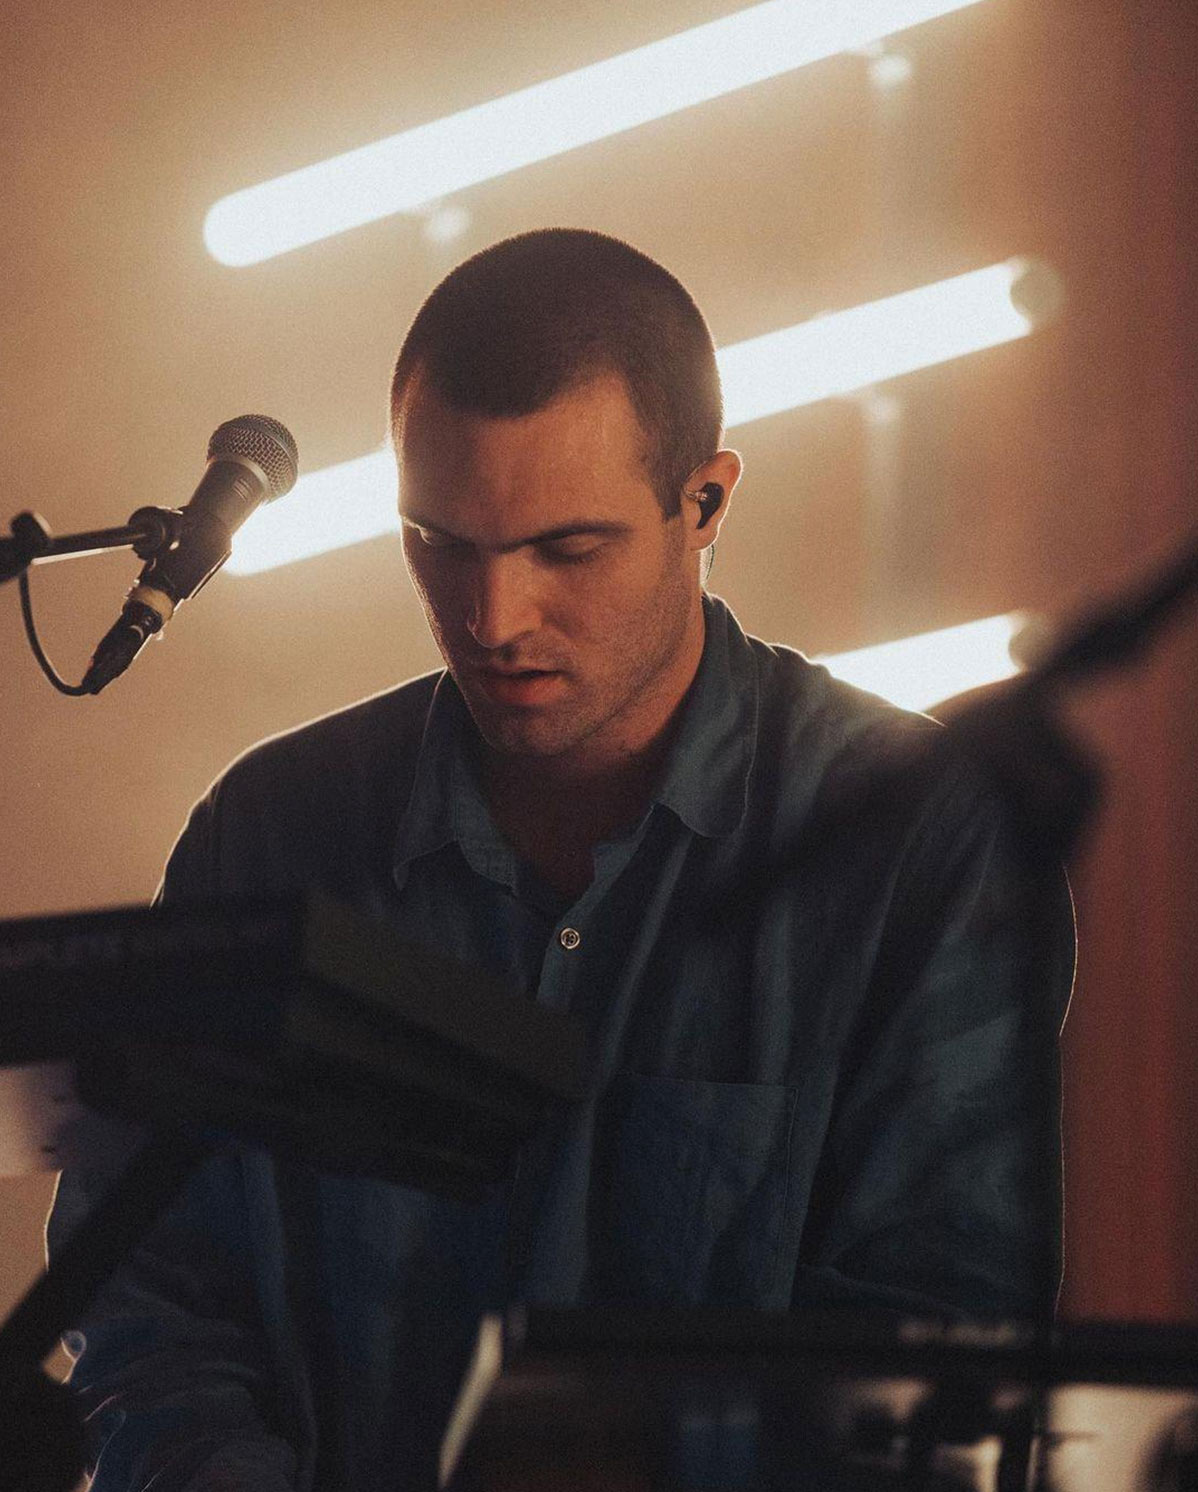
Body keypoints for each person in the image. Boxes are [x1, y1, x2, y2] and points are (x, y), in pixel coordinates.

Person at [48, 228, 1074, 1491]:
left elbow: (928, 1371)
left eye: (566, 549)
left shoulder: (917, 839)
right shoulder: (265, 831)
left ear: (705, 504)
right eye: (440, 541)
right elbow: (150, 1308)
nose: (492, 618)